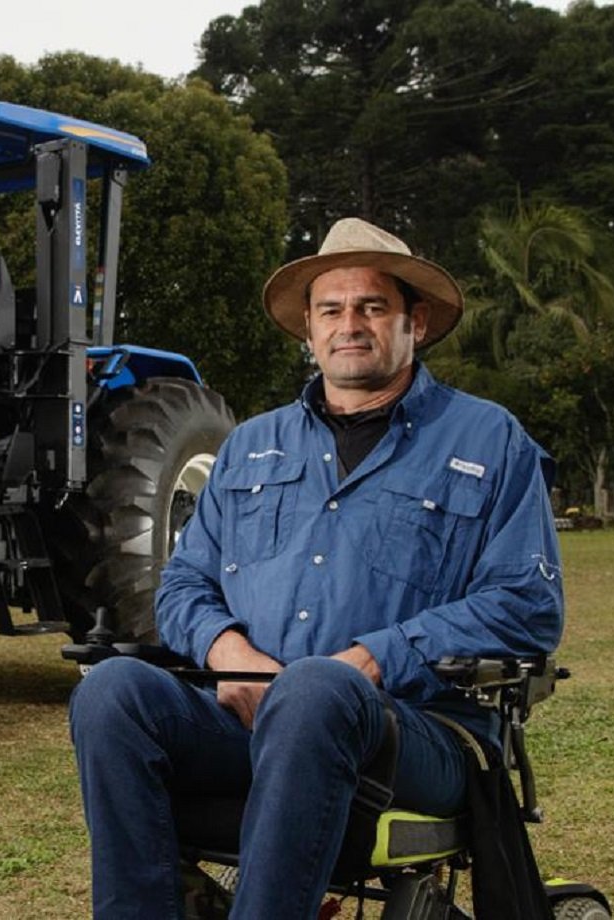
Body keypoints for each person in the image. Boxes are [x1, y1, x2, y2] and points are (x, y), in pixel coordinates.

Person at [68, 218, 564, 918]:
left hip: (414, 735)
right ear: (308, 329)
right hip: (251, 720)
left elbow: (526, 605)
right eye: (330, 309)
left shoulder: (488, 439)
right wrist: (229, 654)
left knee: (317, 690)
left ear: (414, 322)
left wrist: (373, 660)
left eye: (371, 307)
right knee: (112, 692)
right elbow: (182, 585)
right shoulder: (250, 446)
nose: (349, 324)